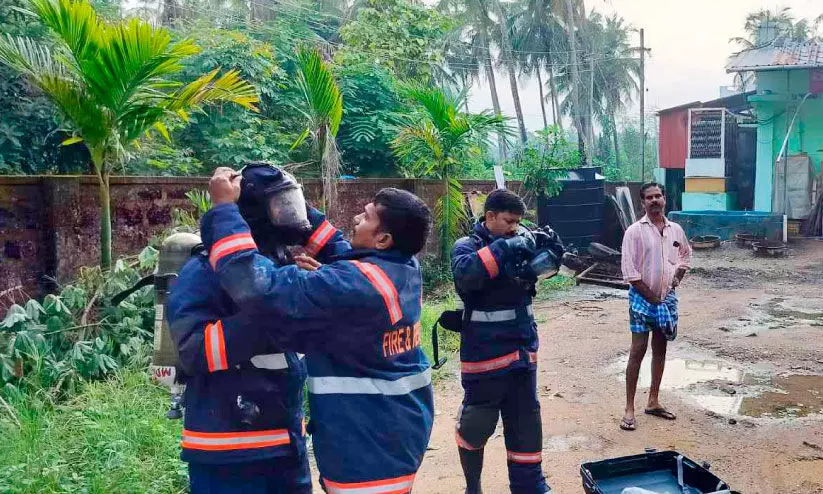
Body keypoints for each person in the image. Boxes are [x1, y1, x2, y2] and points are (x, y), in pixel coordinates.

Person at [202, 167, 435, 494]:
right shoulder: (398, 266)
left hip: (369, 449)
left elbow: (255, 286)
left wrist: (224, 211)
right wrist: (286, 195)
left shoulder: (354, 284)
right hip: (394, 430)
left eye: (366, 217)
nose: (356, 218)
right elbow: (338, 248)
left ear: (383, 239)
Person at [165, 163, 348, 493]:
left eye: (292, 202)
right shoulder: (203, 270)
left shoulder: (275, 268)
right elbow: (192, 350)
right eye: (282, 205)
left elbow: (350, 264)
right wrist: (274, 314)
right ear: (255, 211)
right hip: (226, 451)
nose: (292, 214)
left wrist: (308, 237)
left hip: (284, 442)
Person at [450, 189, 558, 494]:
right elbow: (467, 276)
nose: (514, 228)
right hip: (484, 356)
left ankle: (531, 486)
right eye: (508, 221)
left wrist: (550, 256)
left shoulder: (519, 241)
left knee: (526, 425)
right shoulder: (466, 247)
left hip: (523, 354)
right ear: (490, 217)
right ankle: (473, 488)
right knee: (476, 425)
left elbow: (538, 273)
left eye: (517, 223)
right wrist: (507, 247)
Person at [619, 182, 691, 432]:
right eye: (649, 197)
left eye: (658, 196)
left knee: (660, 349)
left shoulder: (676, 230)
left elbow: (685, 256)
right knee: (637, 351)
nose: (654, 200)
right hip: (642, 299)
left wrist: (676, 280)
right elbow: (630, 272)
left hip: (666, 300)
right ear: (643, 203)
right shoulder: (634, 232)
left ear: (664, 199)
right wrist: (652, 298)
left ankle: (653, 401)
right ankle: (629, 408)